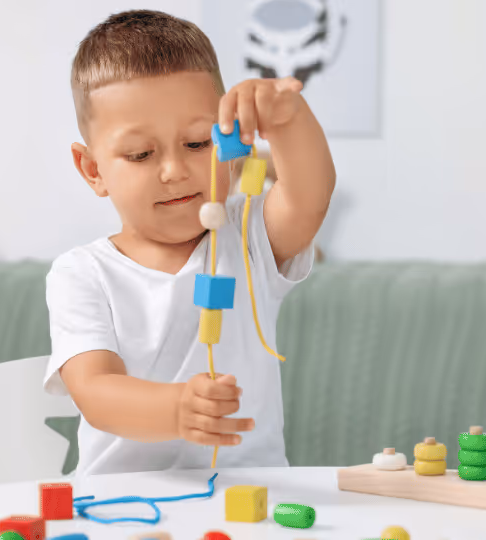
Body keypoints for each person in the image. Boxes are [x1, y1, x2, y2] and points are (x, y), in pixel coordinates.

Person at [43, 9, 335, 476]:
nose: (175, 170)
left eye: (198, 143)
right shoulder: (82, 273)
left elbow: (309, 197)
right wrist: (177, 408)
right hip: (122, 501)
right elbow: (95, 390)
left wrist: (288, 120)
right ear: (93, 170)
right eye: (141, 154)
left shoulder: (248, 239)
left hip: (251, 493)